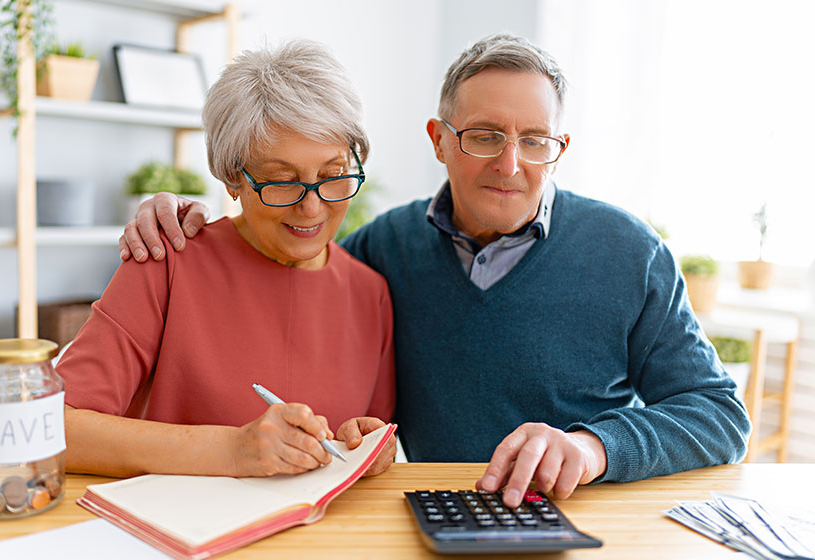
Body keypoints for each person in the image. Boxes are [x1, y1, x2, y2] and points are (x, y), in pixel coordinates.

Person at [119, 33, 751, 507]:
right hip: (429, 516)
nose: (510, 164)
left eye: (535, 140)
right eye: (482, 135)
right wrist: (182, 215)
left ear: (559, 149)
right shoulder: (385, 248)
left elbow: (720, 414)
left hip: (581, 522)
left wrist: (592, 447)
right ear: (439, 140)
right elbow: (297, 248)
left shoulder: (631, 251)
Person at [59, 40, 396, 479]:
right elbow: (53, 429)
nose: (312, 208)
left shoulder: (370, 293)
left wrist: (366, 445)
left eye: (333, 176)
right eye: (281, 181)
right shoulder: (166, 261)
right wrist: (231, 450)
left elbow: (372, 438)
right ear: (232, 178)